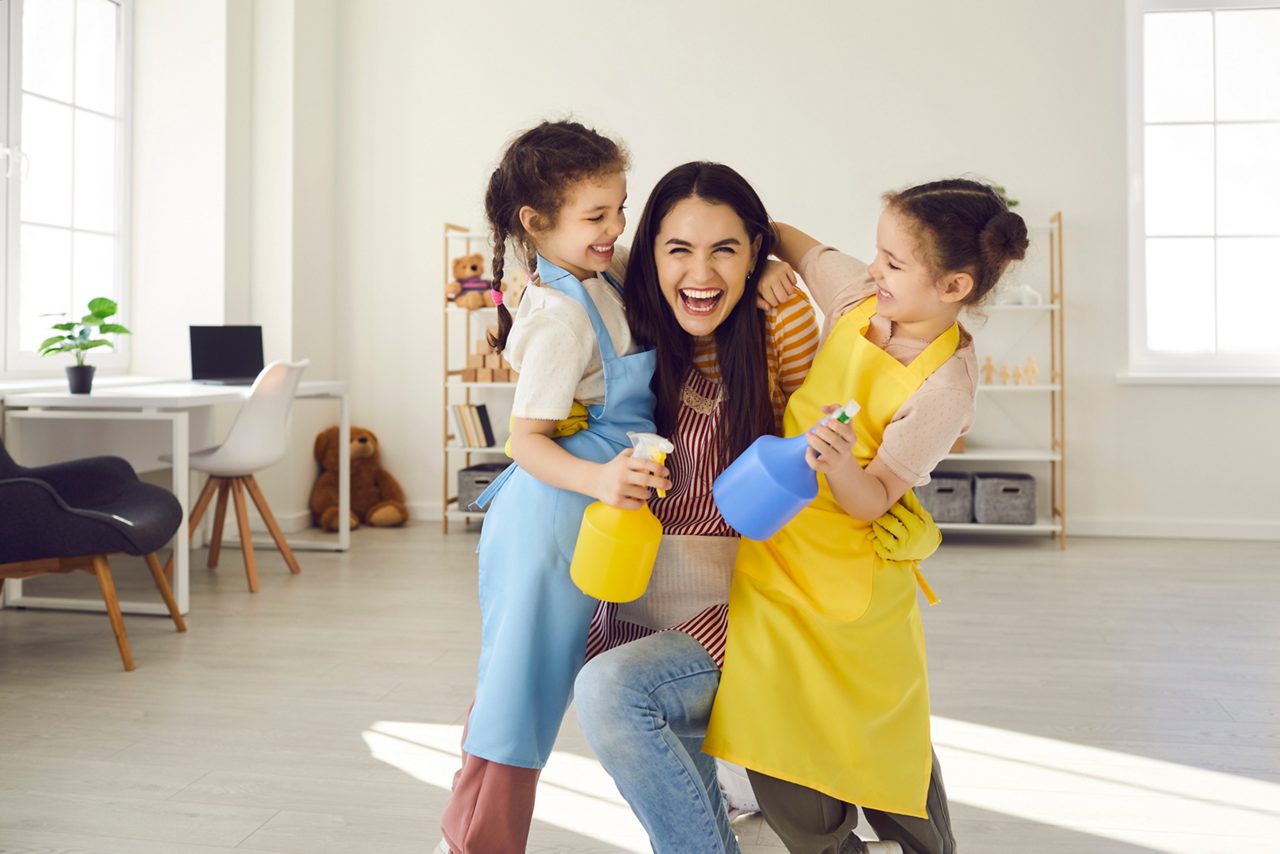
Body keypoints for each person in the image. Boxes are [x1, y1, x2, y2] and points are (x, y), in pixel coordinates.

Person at [572, 162, 944, 854]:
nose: (700, 273)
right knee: (600, 690)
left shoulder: (782, 324)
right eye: (678, 249)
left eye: (726, 250)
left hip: (747, 612)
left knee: (611, 693)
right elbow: (561, 260)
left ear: (754, 252)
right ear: (648, 253)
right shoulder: (620, 315)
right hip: (637, 599)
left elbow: (834, 437)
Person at [702, 178, 1029, 854]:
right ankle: (826, 847)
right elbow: (792, 235)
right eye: (878, 253)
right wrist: (765, 259)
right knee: (770, 717)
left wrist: (843, 464)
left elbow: (876, 496)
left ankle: (921, 846)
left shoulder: (945, 386)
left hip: (853, 577)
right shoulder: (857, 294)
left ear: (954, 288)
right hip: (776, 552)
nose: (874, 268)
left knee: (880, 732)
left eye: (894, 263)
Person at [438, 120, 670, 854]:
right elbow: (525, 442)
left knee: (529, 680)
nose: (616, 228)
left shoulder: (598, 276)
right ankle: (474, 843)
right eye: (597, 217)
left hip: (594, 510)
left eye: (620, 208)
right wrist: (602, 476)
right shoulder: (561, 317)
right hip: (553, 512)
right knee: (522, 692)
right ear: (538, 224)